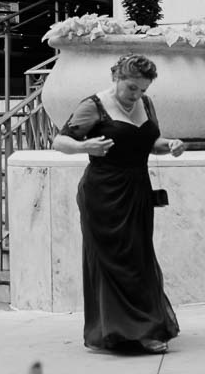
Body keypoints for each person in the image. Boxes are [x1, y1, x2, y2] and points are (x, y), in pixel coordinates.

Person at [52, 53, 183, 354]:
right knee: (114, 262)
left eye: (143, 89)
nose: (137, 95)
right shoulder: (93, 105)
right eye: (132, 88)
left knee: (138, 259)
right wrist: (85, 146)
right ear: (117, 78)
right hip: (103, 192)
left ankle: (140, 327)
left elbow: (151, 143)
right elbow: (60, 141)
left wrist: (171, 145)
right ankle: (128, 331)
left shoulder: (146, 104)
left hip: (137, 189)